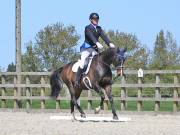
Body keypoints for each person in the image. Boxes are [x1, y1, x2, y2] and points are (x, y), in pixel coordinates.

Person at [75, 13, 115, 87]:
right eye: (94, 19)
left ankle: (99, 79)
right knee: (83, 63)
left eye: (97, 19)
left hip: (94, 50)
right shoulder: (87, 28)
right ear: (90, 20)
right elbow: (91, 36)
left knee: (99, 63)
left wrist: (109, 43)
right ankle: (77, 80)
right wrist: (96, 42)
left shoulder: (99, 28)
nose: (96, 20)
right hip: (86, 49)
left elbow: (104, 36)